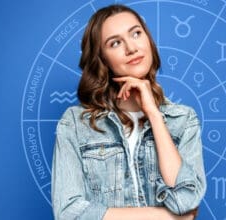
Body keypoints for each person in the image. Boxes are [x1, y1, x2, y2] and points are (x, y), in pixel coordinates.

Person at [51, 4, 206, 220]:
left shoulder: (183, 120)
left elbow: (186, 200)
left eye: (136, 33)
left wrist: (153, 114)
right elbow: (69, 213)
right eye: (115, 43)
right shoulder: (75, 124)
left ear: (148, 41)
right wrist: (169, 218)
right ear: (102, 59)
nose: (131, 48)